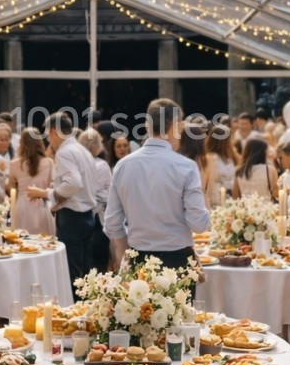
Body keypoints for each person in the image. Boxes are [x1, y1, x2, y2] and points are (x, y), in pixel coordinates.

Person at [103, 99, 210, 272]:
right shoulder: (186, 167)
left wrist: (124, 256)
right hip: (177, 259)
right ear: (175, 126)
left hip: (138, 257)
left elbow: (112, 223)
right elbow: (198, 224)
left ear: (147, 126)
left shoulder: (123, 165)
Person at [31, 113, 97, 289]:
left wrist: (51, 194)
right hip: (87, 216)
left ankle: (75, 312)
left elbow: (74, 183)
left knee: (73, 274)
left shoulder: (65, 152)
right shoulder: (82, 150)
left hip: (72, 218)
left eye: (47, 134)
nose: (47, 140)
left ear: (53, 132)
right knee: (86, 273)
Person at [78, 128, 113, 270]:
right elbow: (110, 195)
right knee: (99, 266)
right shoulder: (102, 165)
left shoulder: (77, 164)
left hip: (80, 218)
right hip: (98, 220)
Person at [9, 127, 54, 236]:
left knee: (22, 242)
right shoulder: (49, 162)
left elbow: (12, 190)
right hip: (42, 205)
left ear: (21, 143)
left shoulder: (14, 164)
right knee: (45, 244)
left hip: (21, 206)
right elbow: (51, 186)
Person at [234, 137, 278, 201]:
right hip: (266, 209)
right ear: (262, 153)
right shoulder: (269, 169)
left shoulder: (239, 170)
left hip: (245, 209)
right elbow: (276, 194)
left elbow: (235, 196)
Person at [176, 122, 212, 201]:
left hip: (179, 202)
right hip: (200, 202)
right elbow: (211, 188)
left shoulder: (176, 159)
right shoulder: (206, 160)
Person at [205, 123, 237, 207]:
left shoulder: (230, 156)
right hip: (217, 199)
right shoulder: (210, 158)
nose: (231, 141)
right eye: (229, 139)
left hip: (231, 198)